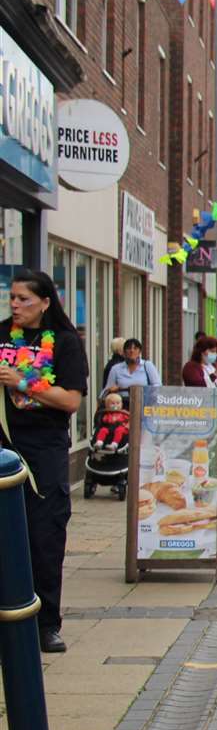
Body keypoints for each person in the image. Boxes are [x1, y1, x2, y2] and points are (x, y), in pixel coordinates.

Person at [0, 271, 89, 654]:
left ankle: (45, 624)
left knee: (45, 535)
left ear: (46, 302)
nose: (16, 305)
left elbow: (70, 401)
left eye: (24, 299)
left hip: (47, 447)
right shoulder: (2, 334)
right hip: (5, 443)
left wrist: (22, 382)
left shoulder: (65, 343)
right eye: (13, 298)